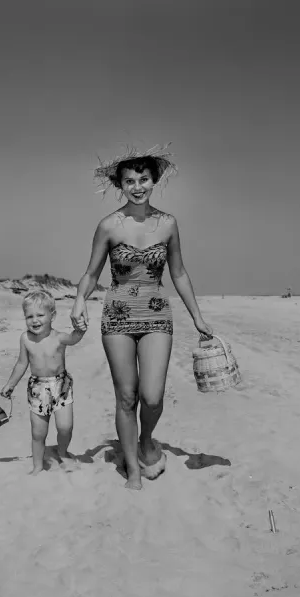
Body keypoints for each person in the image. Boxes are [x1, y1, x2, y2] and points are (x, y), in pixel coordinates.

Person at [70, 146, 213, 490]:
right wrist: (78, 301)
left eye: (144, 179)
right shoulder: (108, 226)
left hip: (157, 314)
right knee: (126, 397)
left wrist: (197, 316)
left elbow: (178, 273)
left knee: (152, 397)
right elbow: (91, 274)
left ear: (154, 181)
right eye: (130, 181)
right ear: (120, 185)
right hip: (117, 316)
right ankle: (133, 469)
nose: (137, 187)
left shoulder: (168, 224)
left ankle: (146, 440)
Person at [1, 290, 85, 475]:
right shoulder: (26, 339)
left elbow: (73, 339)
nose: (34, 320)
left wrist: (80, 329)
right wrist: (10, 384)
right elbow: (22, 363)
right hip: (38, 388)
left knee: (65, 427)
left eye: (40, 315)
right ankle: (38, 465)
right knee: (38, 432)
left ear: (52, 316)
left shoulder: (59, 337)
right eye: (29, 316)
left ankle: (62, 451)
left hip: (61, 386)